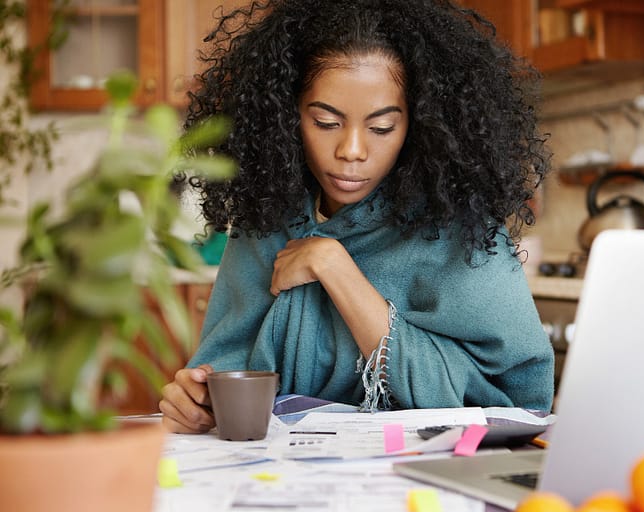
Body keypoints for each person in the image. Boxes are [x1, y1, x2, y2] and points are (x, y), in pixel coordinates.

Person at [160, 0, 554, 434]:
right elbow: (225, 374)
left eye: (381, 128)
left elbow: (516, 404)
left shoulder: (462, 234)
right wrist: (196, 401)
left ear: (418, 124)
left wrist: (334, 267)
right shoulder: (266, 221)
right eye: (325, 122)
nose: (351, 150)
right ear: (286, 116)